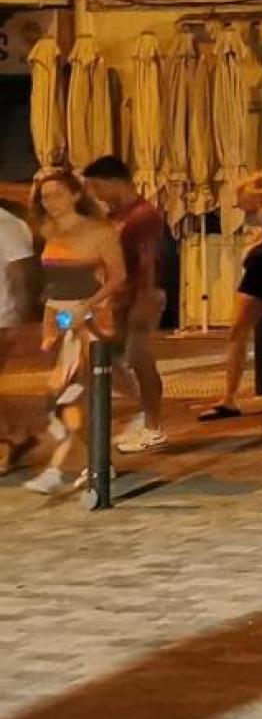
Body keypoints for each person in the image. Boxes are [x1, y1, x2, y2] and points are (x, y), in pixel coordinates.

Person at [23, 172, 126, 494]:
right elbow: (52, 287)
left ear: (75, 195)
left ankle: (74, 464)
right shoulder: (46, 230)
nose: (49, 202)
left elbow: (117, 277)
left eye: (56, 194)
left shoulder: (98, 231)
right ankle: (93, 459)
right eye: (44, 196)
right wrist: (50, 326)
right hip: (63, 316)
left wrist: (88, 307)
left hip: (91, 316)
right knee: (61, 394)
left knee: (81, 391)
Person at [80, 156, 169, 455]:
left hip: (142, 296)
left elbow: (149, 261)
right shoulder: (119, 215)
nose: (97, 195)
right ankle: (143, 414)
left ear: (112, 182)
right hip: (122, 298)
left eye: (97, 187)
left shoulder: (143, 216)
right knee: (107, 359)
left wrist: (145, 299)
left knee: (138, 357)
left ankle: (152, 425)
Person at [197, 168, 262, 422]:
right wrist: (258, 176)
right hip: (260, 266)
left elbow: (247, 198)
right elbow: (242, 197)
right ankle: (229, 397)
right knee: (238, 329)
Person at [0, 199, 37, 475]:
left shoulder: (8, 225)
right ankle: (15, 435)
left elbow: (22, 276)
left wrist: (22, 321)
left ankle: (12, 438)